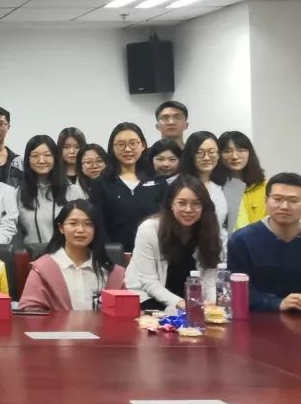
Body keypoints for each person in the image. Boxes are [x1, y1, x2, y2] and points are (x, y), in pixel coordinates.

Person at [124, 177, 221, 310]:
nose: (188, 209)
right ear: (171, 204)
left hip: (191, 303)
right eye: (181, 203)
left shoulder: (208, 232)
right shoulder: (149, 229)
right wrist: (182, 304)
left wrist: (214, 304)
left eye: (196, 203)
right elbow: (148, 281)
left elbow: (209, 283)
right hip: (148, 298)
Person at [18, 200, 125, 312]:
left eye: (88, 224)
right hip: (57, 324)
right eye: (73, 223)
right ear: (61, 228)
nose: (80, 230)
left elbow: (125, 311)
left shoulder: (111, 272)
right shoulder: (43, 268)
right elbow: (30, 310)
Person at [227, 173, 301, 312]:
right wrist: (278, 303)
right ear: (266, 201)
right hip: (256, 319)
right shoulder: (242, 240)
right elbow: (238, 291)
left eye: (293, 200)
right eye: (277, 199)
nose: (284, 206)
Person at [89, 123, 165, 252]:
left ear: (143, 145)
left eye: (133, 143)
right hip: (114, 254)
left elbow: (166, 222)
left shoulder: (158, 182)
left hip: (153, 253)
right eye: (121, 144)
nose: (128, 149)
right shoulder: (101, 184)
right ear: (112, 148)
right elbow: (97, 225)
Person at [18, 135, 84, 246]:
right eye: (35, 156)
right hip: (32, 254)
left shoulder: (73, 191)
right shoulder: (18, 194)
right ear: (27, 160)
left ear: (55, 158)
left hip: (65, 254)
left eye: (47, 155)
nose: (41, 160)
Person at [179, 131, 228, 245]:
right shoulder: (179, 185)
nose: (206, 158)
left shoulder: (223, 186)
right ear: (190, 155)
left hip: (220, 249)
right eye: (200, 153)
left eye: (212, 152)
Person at [219, 131, 266, 231]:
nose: (234, 156)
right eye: (227, 151)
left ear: (249, 153)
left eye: (241, 150)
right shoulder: (214, 187)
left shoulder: (265, 186)